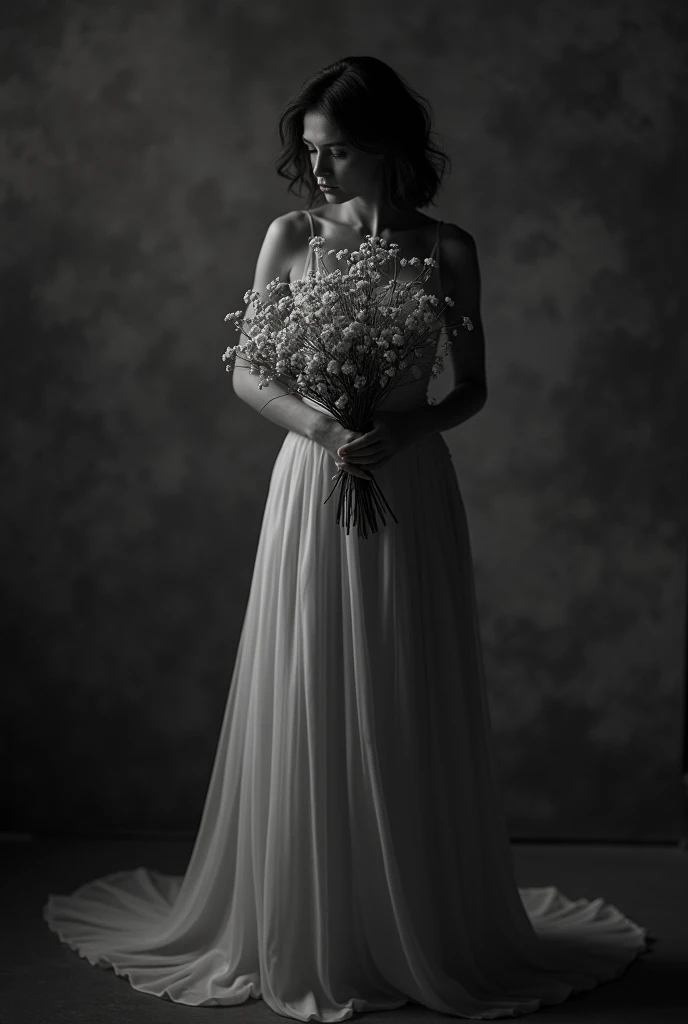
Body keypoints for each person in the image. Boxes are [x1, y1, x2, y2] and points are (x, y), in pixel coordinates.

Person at [43, 55, 650, 1021]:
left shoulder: (447, 248)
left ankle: (417, 916)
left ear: (393, 149)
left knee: (404, 675)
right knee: (314, 674)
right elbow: (247, 374)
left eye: (341, 152)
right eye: (312, 151)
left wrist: (407, 426)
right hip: (316, 476)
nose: (319, 171)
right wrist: (325, 429)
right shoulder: (291, 236)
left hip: (408, 482)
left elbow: (475, 385)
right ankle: (314, 922)